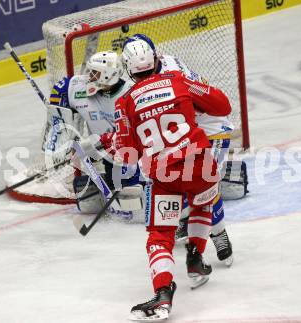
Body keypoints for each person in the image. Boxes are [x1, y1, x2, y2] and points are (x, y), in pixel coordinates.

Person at [113, 39, 232, 321]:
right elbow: (222, 105)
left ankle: (163, 293)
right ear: (155, 61)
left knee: (160, 236)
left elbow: (127, 156)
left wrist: (116, 140)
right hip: (199, 165)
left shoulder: (124, 102)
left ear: (128, 70)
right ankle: (195, 260)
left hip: (164, 175)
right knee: (203, 205)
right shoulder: (178, 79)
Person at [121, 34, 246, 266]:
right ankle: (188, 223)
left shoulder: (173, 70)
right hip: (181, 134)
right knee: (177, 181)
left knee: (205, 186)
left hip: (209, 129)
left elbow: (209, 102)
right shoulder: (145, 73)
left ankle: (219, 234)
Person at [47, 50, 144, 220]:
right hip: (104, 152)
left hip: (134, 156)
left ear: (108, 75)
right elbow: (61, 89)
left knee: (133, 202)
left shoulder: (133, 93)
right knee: (95, 199)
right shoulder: (79, 87)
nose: (88, 76)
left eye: (94, 72)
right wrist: (59, 110)